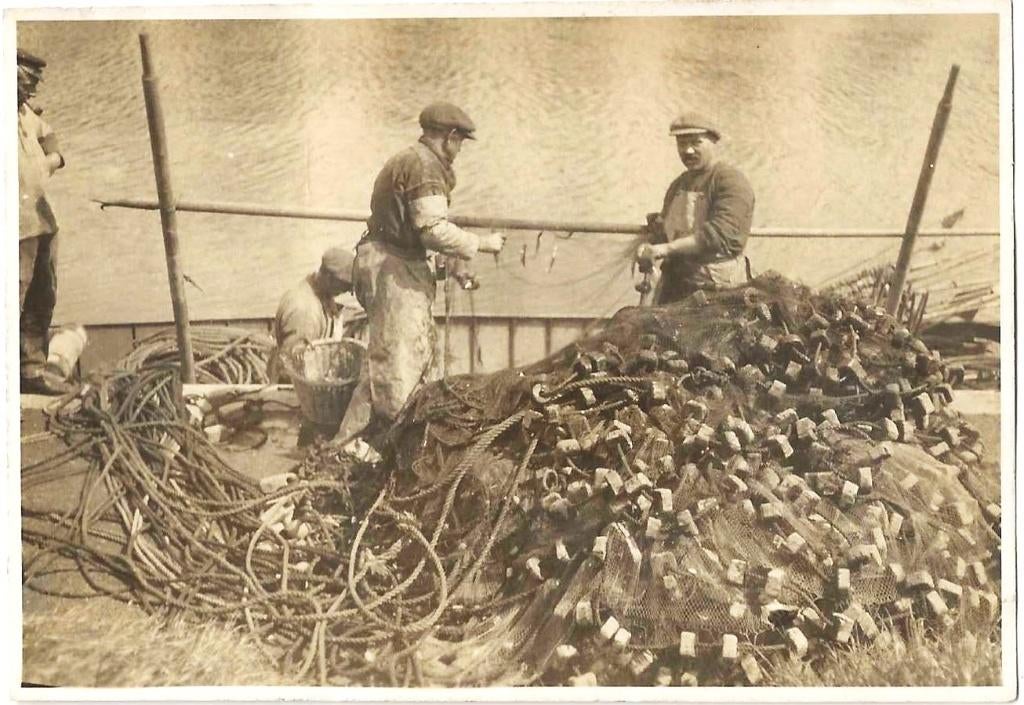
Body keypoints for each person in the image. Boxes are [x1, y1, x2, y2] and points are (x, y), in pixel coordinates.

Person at [334, 102, 507, 448]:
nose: (459, 151)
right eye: (459, 143)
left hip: (388, 259)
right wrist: (483, 243)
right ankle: (384, 446)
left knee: (393, 356)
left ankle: (354, 441)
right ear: (450, 137)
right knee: (397, 365)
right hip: (391, 269)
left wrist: (450, 264)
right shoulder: (425, 167)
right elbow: (432, 231)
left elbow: (420, 230)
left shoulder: (412, 159)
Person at [636, 112, 755, 304]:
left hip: (717, 287)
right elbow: (664, 229)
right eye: (681, 144)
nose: (688, 151)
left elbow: (718, 235)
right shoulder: (679, 185)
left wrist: (666, 248)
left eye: (696, 142)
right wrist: (648, 246)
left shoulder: (731, 181)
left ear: (713, 141)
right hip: (676, 282)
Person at [268, 246, 364, 445]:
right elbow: (295, 364)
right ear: (329, 278)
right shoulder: (304, 311)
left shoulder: (317, 289)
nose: (347, 291)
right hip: (299, 393)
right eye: (345, 286)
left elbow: (328, 310)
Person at [18, 48, 70, 395]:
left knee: (42, 293)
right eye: (28, 77)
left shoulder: (24, 110)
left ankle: (31, 369)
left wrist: (53, 157)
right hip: (14, 226)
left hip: (41, 219)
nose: (34, 84)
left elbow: (48, 132)